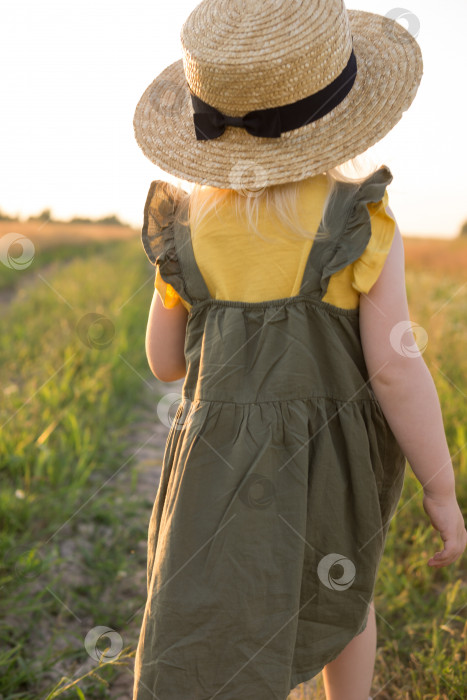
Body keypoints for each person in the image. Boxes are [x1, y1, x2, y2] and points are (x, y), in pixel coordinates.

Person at [131, 1, 467, 699]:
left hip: (213, 468)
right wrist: (439, 487)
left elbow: (165, 363)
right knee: (340, 597)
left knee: (217, 603)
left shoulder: (185, 227)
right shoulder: (358, 220)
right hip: (326, 462)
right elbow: (395, 369)